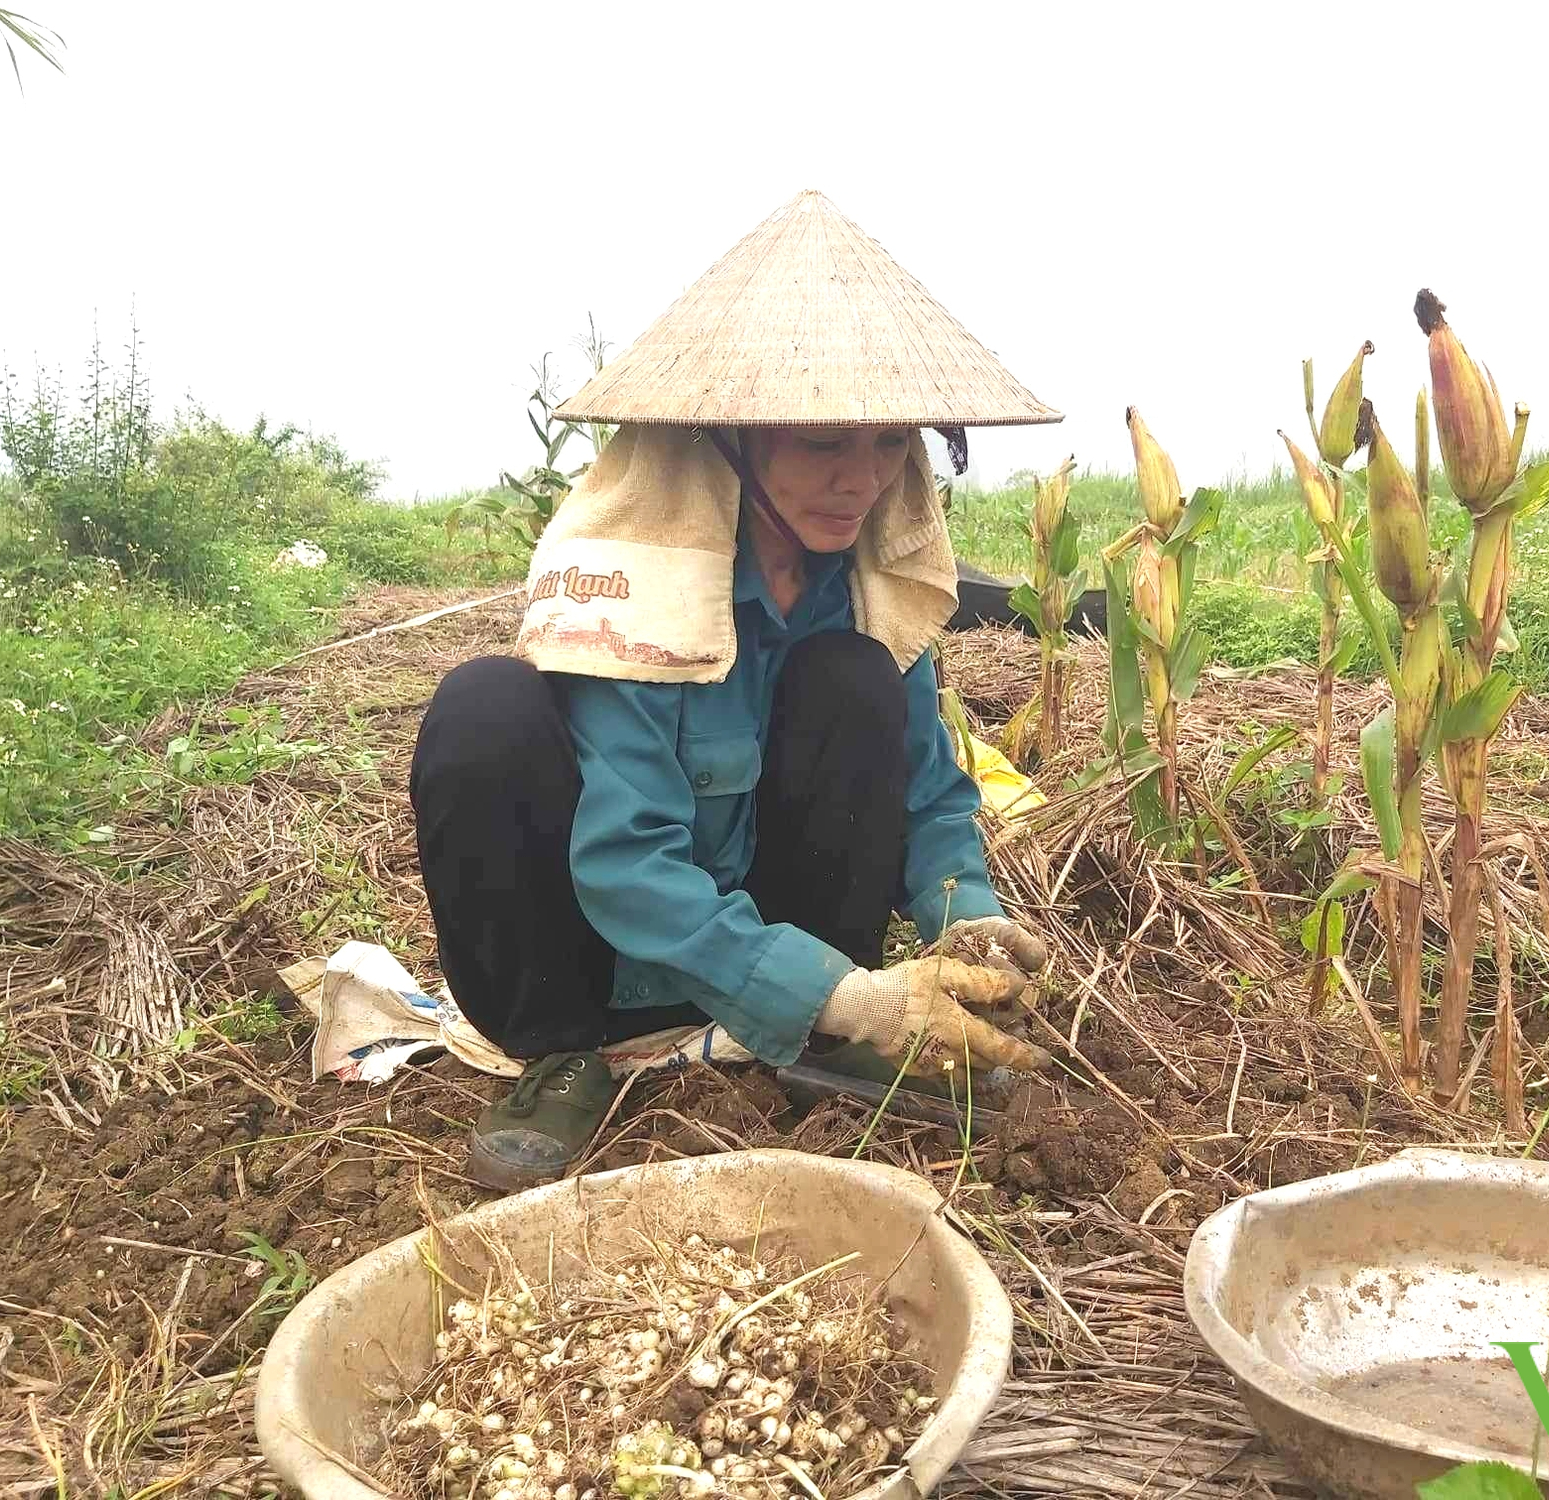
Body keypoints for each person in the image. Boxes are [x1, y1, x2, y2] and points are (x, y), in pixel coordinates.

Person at [408, 190, 1066, 1191]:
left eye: (888, 444)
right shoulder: (641, 590)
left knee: (853, 681)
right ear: (731, 441)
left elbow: (930, 792)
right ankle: (562, 1056)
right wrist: (858, 998)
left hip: (786, 956)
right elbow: (627, 860)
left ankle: (817, 1030)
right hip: (597, 961)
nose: (860, 479)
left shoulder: (865, 594)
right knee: (480, 709)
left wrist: (960, 918)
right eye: (820, 445)